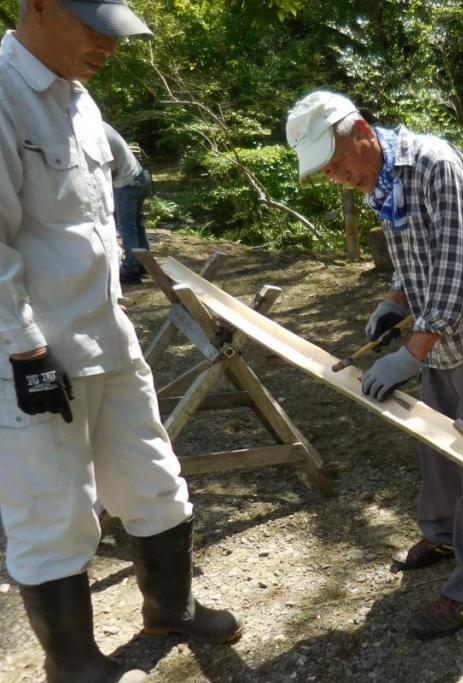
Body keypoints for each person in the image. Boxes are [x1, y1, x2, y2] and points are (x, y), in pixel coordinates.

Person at [0, 2, 241, 681]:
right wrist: (24, 349)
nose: (109, 43)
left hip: (105, 331)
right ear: (40, 6)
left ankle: (171, 605)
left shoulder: (77, 93)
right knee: (54, 508)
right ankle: (73, 662)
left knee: (154, 478)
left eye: (115, 30)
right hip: (34, 351)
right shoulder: (3, 95)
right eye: (94, 27)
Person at [286, 89, 463, 636]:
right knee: (438, 448)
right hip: (440, 339)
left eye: (336, 162)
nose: (337, 177)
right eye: (327, 171)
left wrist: (408, 354)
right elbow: (413, 259)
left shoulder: (434, 165)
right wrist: (394, 303)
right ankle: (444, 537)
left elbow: (452, 271)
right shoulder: (382, 181)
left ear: (362, 133)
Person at [103, 121, 151, 285]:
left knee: (126, 227)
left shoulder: (97, 135)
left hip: (127, 183)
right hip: (140, 177)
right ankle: (145, 265)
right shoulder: (104, 127)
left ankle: (131, 270)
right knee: (137, 225)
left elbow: (110, 169)